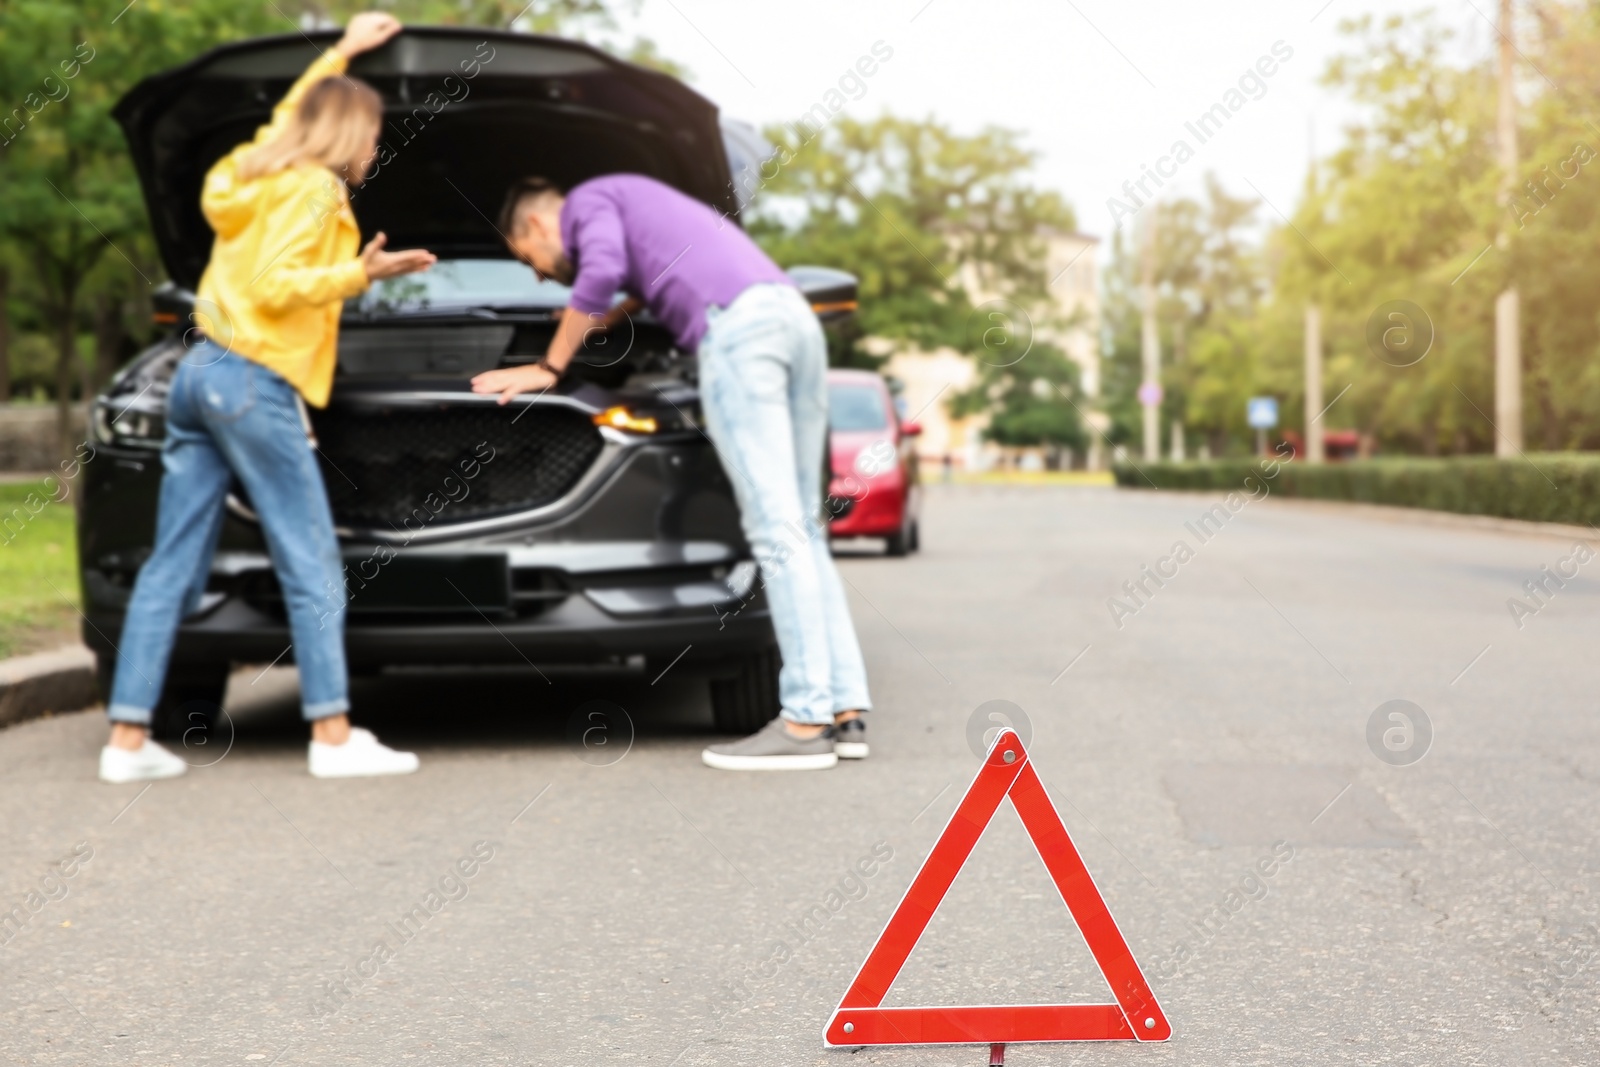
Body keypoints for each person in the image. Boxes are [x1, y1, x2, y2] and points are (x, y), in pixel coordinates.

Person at [99, 13, 437, 783]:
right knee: (309, 552)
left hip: (200, 373)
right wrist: (362, 274)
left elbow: (285, 124)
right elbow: (276, 285)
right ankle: (333, 731)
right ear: (346, 134)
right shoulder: (316, 190)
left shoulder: (246, 176)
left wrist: (343, 52)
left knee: (170, 563)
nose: (375, 151)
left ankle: (126, 742)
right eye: (372, 135)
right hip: (251, 376)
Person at [473, 174, 873, 770]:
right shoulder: (632, 199)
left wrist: (550, 366)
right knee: (802, 530)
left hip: (740, 335)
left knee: (773, 530)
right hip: (790, 316)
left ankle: (803, 720)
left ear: (535, 224)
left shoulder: (587, 202)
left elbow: (601, 267)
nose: (534, 274)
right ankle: (845, 710)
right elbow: (650, 267)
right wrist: (618, 315)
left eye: (525, 259)